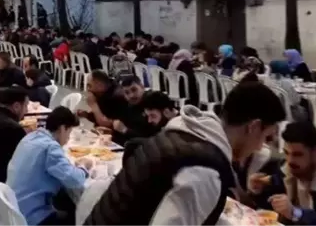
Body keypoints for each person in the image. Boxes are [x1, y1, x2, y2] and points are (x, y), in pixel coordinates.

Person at [82, 81, 286, 225]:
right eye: (265, 137)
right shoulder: (203, 171)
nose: (261, 147)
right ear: (254, 127)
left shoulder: (184, 133)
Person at [248, 121, 316, 226]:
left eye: (297, 154)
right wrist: (257, 190)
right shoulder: (287, 170)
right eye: (287, 153)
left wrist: (296, 213)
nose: (290, 160)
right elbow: (269, 204)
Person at [7, 106, 93, 226]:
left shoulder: (31, 137)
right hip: (29, 217)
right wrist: (83, 167)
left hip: (11, 208)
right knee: (77, 212)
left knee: (64, 198)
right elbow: (75, 180)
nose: (68, 138)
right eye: (69, 132)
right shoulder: (50, 148)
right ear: (63, 128)